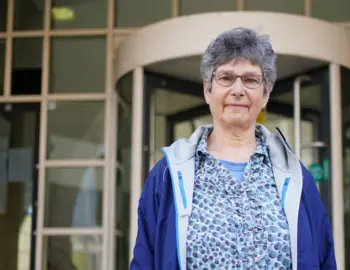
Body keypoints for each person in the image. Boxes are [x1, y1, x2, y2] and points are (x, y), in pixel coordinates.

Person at [130, 27, 336, 270]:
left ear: (266, 93)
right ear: (207, 90)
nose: (238, 90)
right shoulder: (166, 176)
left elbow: (323, 260)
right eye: (226, 78)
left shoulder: (297, 178)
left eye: (250, 80)